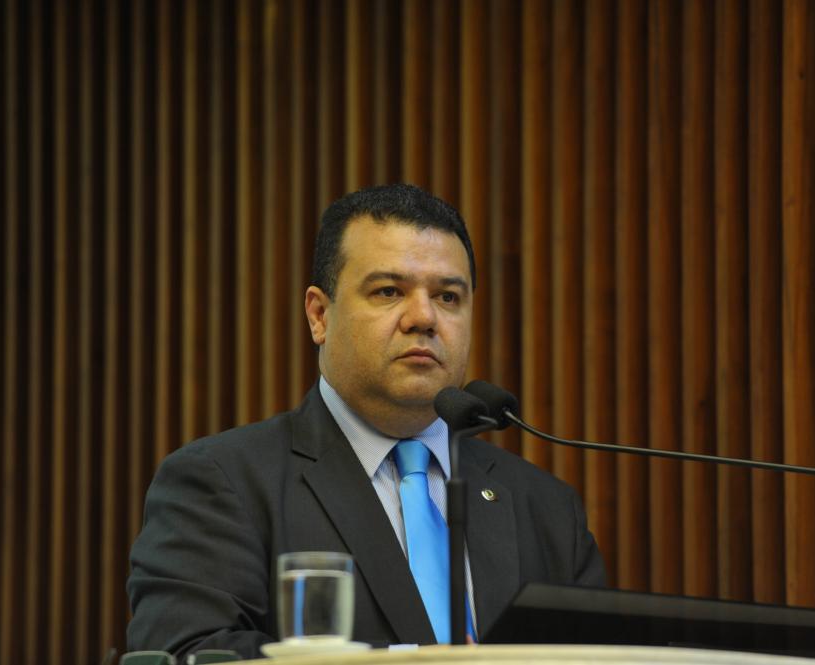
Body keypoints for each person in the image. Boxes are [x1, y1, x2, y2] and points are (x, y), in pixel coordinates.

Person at [126, 184, 606, 660]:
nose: (424, 317)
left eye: (448, 297)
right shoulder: (224, 482)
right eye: (389, 291)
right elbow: (190, 650)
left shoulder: (546, 508)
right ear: (319, 315)